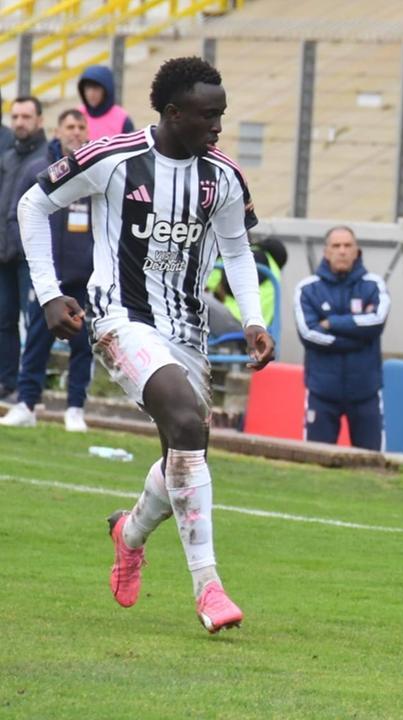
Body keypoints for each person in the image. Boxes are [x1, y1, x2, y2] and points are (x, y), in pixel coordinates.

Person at [18, 56, 274, 634]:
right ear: (174, 112)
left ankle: (129, 533)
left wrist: (253, 320)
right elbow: (33, 203)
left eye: (222, 115)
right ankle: (209, 588)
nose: (218, 127)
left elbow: (237, 250)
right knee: (185, 424)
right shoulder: (114, 158)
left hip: (187, 331)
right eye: (208, 116)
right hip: (121, 319)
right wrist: (49, 294)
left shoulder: (223, 177)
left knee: (185, 453)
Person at [0, 109, 92, 431]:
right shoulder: (39, 169)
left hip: (84, 275)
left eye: (81, 127)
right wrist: (32, 257)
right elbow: (16, 215)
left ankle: (75, 408)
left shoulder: (96, 172)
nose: (76, 132)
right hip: (46, 277)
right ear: (57, 131)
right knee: (36, 341)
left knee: (83, 345)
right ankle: (27, 403)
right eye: (70, 126)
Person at [295, 225, 389, 451]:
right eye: (336, 246)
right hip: (322, 392)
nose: (342, 251)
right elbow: (309, 333)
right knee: (314, 461)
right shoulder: (308, 289)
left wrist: (332, 323)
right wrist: (357, 338)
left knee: (371, 462)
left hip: (365, 392)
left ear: (357, 251)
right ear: (326, 252)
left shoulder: (373, 285)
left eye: (348, 245)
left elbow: (376, 321)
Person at [0, 96, 47, 401]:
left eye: (26, 117)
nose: (19, 122)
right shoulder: (7, 158)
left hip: (30, 256)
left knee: (34, 323)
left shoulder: (46, 158)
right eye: (15, 116)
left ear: (39, 120)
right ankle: (7, 384)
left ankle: (31, 389)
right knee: (4, 321)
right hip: (5, 253)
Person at [78, 65, 135, 141]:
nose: (91, 93)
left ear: (107, 90)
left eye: (96, 88)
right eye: (87, 88)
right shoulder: (77, 115)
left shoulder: (122, 120)